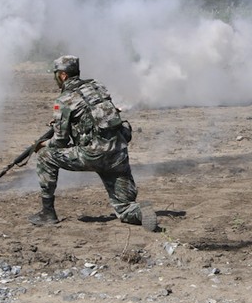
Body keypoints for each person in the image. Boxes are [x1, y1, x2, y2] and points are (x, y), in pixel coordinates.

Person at [30, 55, 158, 231]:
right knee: (124, 207)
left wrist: (42, 145)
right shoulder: (97, 87)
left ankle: (47, 212)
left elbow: (60, 141)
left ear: (63, 76)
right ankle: (141, 212)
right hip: (117, 153)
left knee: (45, 156)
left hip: (93, 154)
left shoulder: (64, 100)